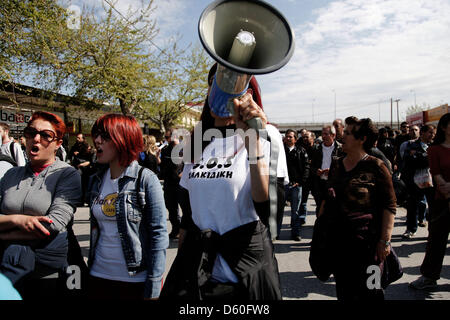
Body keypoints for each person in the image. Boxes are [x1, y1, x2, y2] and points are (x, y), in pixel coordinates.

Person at [160, 65, 283, 300]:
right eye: (217, 83)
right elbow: (189, 215)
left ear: (248, 93)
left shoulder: (267, 135)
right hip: (199, 273)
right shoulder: (197, 142)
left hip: (244, 274)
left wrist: (254, 144)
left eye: (235, 86)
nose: (224, 93)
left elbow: (270, 212)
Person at [86, 114, 168, 300]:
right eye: (96, 135)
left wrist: (154, 283)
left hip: (134, 279)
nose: (97, 140)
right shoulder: (96, 180)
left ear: (123, 140)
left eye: (105, 136)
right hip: (97, 274)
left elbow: (158, 234)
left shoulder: (145, 179)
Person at [0, 111, 82, 299]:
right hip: (8, 269)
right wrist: (16, 219)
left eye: (46, 136)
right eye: (31, 133)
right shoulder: (11, 175)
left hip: (49, 272)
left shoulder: (67, 174)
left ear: (57, 144)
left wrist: (4, 231)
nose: (36, 139)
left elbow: (53, 224)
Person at [320, 116, 396, 300]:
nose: (342, 135)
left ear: (362, 139)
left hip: (370, 247)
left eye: (347, 133)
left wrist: (384, 241)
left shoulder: (376, 166)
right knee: (345, 292)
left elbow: (390, 205)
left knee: (372, 293)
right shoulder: (337, 164)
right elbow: (328, 197)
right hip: (342, 245)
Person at [410, 113, 450, 290]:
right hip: (442, 202)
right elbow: (436, 174)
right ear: (444, 127)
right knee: (436, 241)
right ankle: (429, 276)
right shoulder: (435, 150)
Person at [401, 124, 436, 238]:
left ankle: (433, 231)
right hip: (414, 181)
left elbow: (433, 161)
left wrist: (420, 156)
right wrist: (424, 157)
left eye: (433, 133)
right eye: (430, 132)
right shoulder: (411, 145)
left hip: (430, 181)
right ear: (423, 133)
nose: (432, 135)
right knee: (412, 206)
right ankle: (411, 229)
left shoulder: (434, 146)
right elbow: (409, 160)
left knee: (433, 206)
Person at [310, 124, 344, 216]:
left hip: (335, 184)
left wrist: (333, 171)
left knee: (334, 209)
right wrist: (316, 171)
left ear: (333, 135)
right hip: (320, 184)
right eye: (322, 134)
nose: (323, 136)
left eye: (326, 134)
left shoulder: (340, 148)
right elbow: (311, 166)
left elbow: (344, 166)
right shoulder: (317, 149)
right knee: (320, 208)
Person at [159, 128, 185, 239]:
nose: (166, 139)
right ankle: (176, 229)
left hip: (182, 184)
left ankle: (185, 231)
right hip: (169, 183)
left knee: (186, 209)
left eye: (167, 137)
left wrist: (184, 173)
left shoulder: (185, 148)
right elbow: (163, 165)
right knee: (171, 208)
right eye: (165, 138)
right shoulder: (165, 150)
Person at [284, 129, 309, 241]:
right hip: (283, 184)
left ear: (295, 139)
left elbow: (306, 168)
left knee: (295, 210)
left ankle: (295, 233)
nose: (288, 138)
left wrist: (300, 182)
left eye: (290, 137)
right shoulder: (280, 151)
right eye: (287, 136)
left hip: (296, 185)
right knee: (278, 210)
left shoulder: (301, 151)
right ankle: (275, 233)